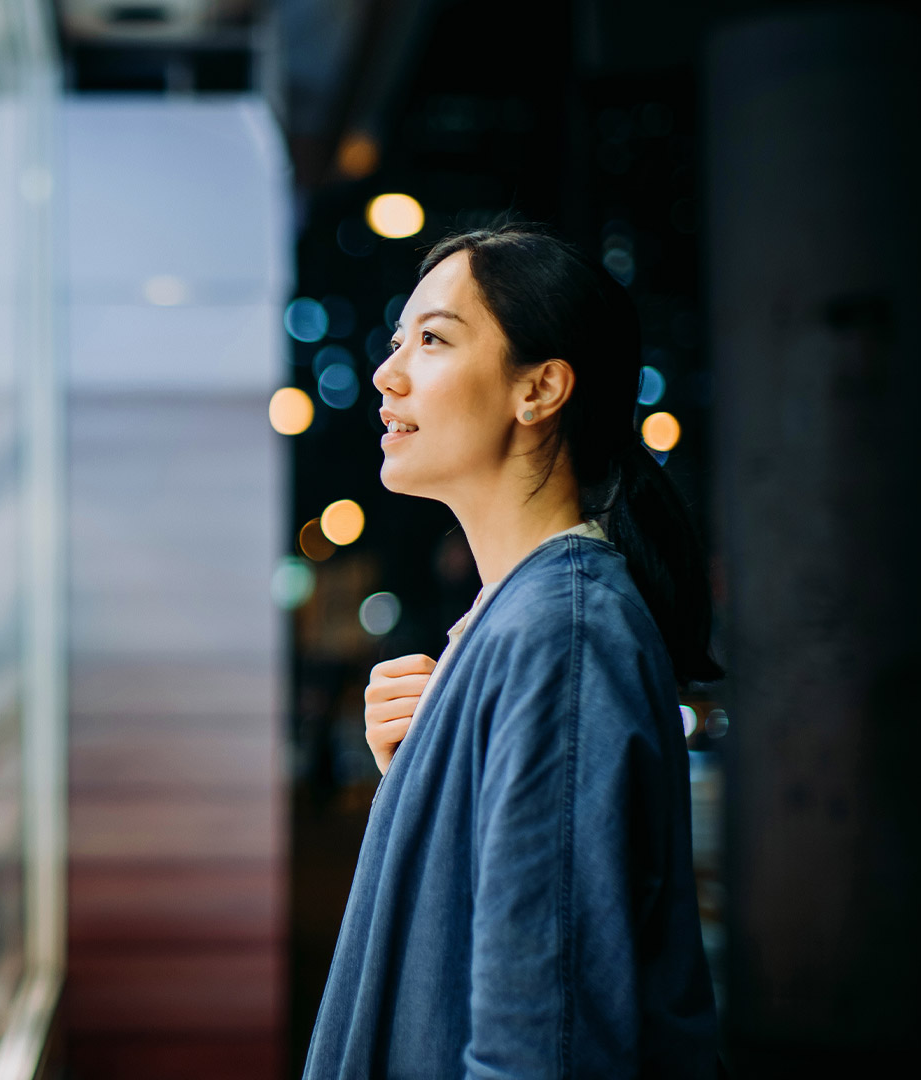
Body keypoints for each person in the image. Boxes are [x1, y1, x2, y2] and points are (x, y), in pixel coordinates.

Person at [304, 225, 722, 1078]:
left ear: (540, 388)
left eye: (432, 339)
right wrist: (433, 774)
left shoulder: (560, 635)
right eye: (396, 340)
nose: (388, 374)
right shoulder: (518, 625)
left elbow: (543, 1041)